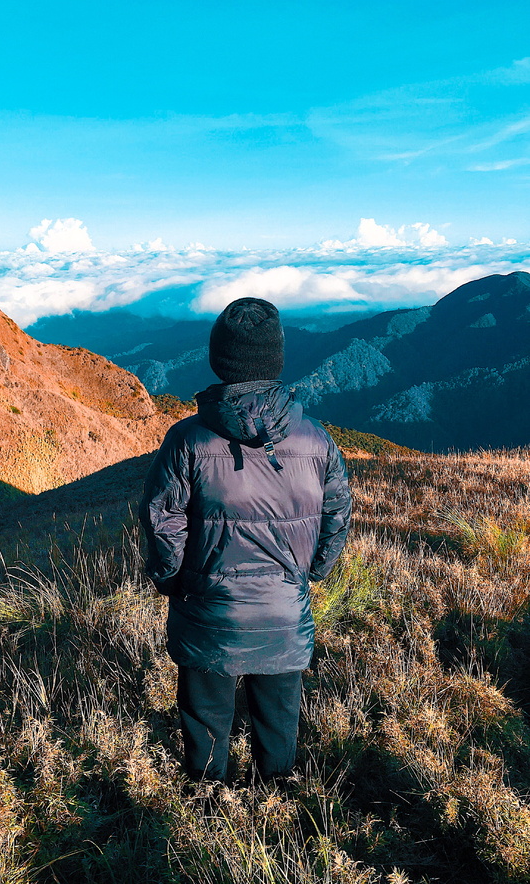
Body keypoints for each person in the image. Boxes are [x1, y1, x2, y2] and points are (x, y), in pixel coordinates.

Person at [139, 297, 351, 784]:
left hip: (208, 612)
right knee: (278, 725)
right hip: (283, 611)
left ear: (219, 359)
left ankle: (206, 805)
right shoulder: (316, 440)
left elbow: (161, 519)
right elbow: (338, 514)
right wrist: (312, 573)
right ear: (275, 359)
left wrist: (173, 581)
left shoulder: (188, 439)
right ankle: (273, 804)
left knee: (205, 723)